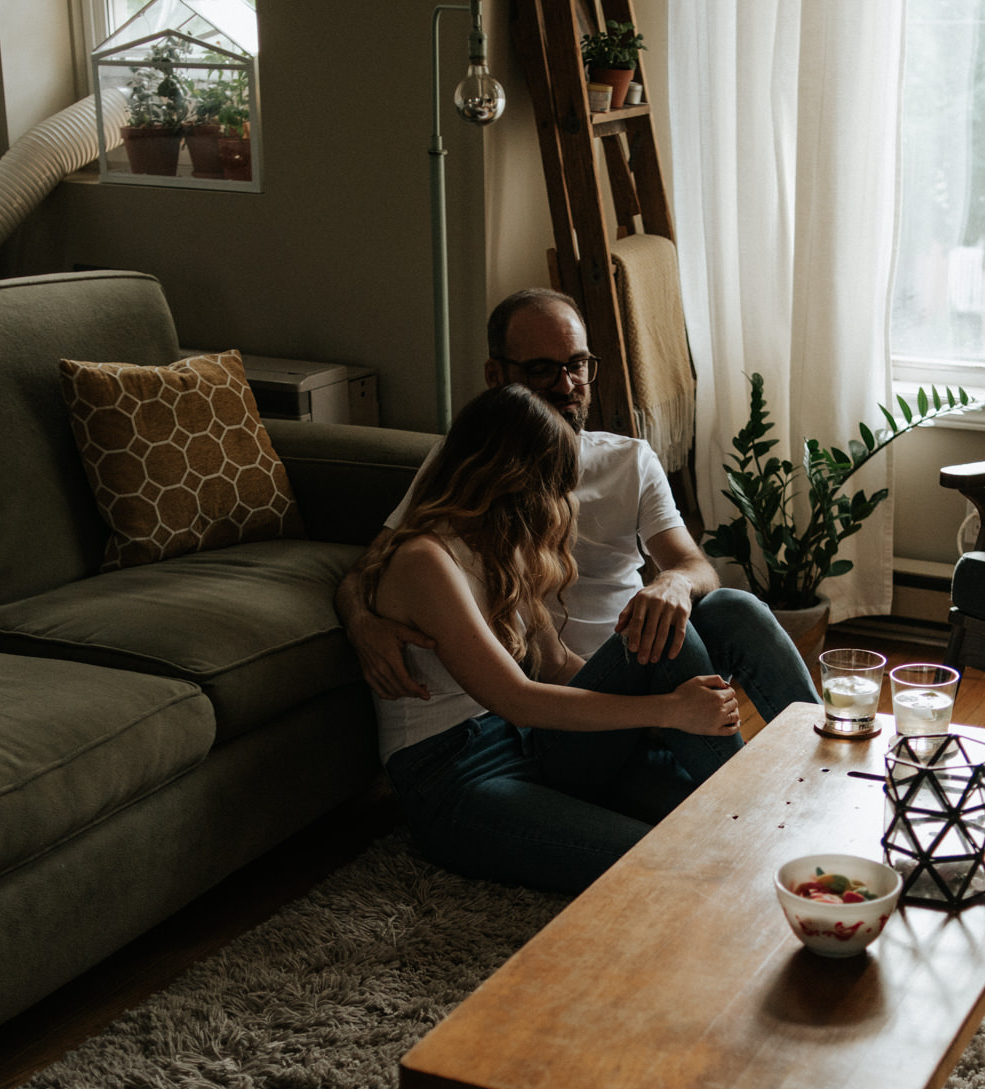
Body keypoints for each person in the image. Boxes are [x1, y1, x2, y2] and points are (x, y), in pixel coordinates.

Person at [336, 289, 816, 805]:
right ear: (497, 376)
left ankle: (827, 760)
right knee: (685, 809)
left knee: (731, 610)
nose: (567, 385)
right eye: (543, 369)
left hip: (618, 678)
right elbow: (376, 567)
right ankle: (751, 806)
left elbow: (693, 564)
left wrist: (672, 584)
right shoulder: (472, 482)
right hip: (559, 709)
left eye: (579, 365)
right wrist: (361, 623)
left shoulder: (629, 461)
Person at [358, 384, 742, 894]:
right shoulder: (425, 560)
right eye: (556, 484)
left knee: (674, 634)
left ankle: (752, 801)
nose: (563, 501)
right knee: (660, 864)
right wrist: (666, 710)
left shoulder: (501, 549)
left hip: (528, 749)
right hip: (456, 780)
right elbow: (517, 699)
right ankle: (748, 804)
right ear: (513, 478)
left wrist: (645, 703)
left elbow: (557, 665)